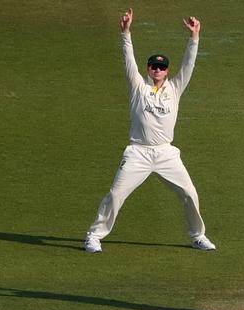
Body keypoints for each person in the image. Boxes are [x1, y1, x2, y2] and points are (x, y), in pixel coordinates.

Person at [84, 8, 215, 254]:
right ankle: (94, 236)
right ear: (148, 69)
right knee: (116, 195)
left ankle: (198, 236)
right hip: (138, 153)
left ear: (167, 70)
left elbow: (189, 65)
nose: (157, 70)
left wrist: (194, 38)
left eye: (161, 67)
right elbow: (128, 61)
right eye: (153, 66)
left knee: (189, 193)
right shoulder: (138, 87)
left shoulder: (175, 88)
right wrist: (126, 33)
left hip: (166, 153)